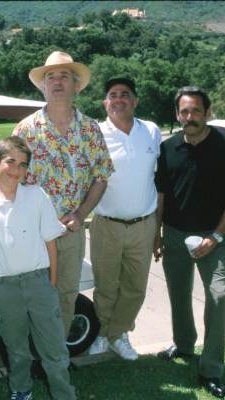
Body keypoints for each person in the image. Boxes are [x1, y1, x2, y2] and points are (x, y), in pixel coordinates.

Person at [0, 136, 76, 400]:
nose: (16, 170)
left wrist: (52, 281)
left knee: (53, 348)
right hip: (5, 288)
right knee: (17, 349)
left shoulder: (36, 196)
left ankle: (64, 394)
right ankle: (21, 390)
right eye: (10, 161)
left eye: (23, 165)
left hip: (39, 283)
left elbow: (50, 241)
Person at [154, 86, 225, 398]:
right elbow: (162, 195)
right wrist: (157, 232)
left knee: (218, 298)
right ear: (177, 114)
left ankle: (210, 370)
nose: (190, 117)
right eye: (184, 111)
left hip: (214, 236)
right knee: (178, 295)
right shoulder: (168, 148)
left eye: (196, 111)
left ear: (207, 112)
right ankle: (183, 346)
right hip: (176, 234)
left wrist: (217, 236)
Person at [12, 51, 112, 339]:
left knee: (66, 294)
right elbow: (10, 180)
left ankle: (56, 357)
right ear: (43, 86)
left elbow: (101, 177)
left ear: (76, 85)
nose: (57, 82)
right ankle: (32, 355)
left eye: (64, 76)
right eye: (50, 77)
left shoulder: (91, 130)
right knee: (31, 296)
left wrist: (81, 214)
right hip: (31, 232)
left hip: (71, 232)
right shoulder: (26, 130)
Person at [88, 78, 161, 360]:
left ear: (135, 101)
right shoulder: (94, 133)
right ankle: (107, 334)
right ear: (105, 103)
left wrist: (159, 227)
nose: (118, 99)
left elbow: (158, 178)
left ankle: (116, 334)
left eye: (125, 94)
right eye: (112, 95)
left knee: (135, 288)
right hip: (107, 225)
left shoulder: (151, 131)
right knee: (106, 287)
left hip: (143, 225)